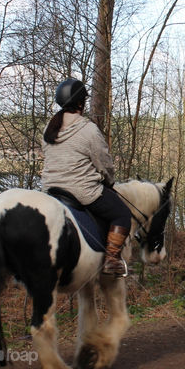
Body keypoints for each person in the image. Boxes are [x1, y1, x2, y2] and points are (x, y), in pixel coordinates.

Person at [41, 78, 131, 276]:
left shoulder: (49, 128)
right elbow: (104, 163)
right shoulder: (88, 129)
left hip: (50, 190)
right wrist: (109, 181)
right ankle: (112, 261)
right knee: (122, 214)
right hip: (82, 192)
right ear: (81, 103)